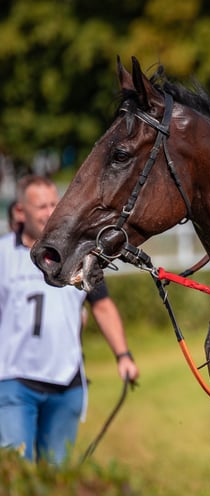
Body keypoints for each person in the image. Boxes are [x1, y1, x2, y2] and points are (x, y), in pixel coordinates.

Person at [0, 175, 140, 465]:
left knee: (55, 478)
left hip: (66, 384)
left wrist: (123, 355)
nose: (49, 212)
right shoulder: (3, 254)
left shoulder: (77, 254)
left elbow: (101, 306)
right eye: (40, 206)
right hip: (14, 382)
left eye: (54, 203)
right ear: (20, 211)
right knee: (17, 475)